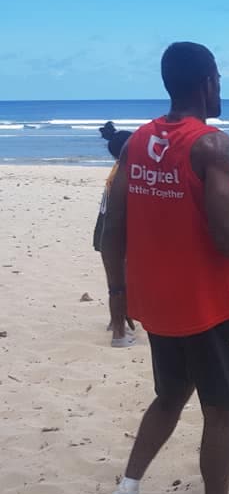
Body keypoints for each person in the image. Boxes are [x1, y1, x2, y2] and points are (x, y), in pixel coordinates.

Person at [96, 41, 229, 494]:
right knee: (219, 411)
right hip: (208, 306)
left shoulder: (137, 143)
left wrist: (118, 299)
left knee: (170, 395)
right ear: (208, 82)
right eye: (219, 79)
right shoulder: (213, 145)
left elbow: (114, 229)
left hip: (158, 304)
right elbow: (227, 233)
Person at [95, 121, 136, 347]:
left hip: (105, 227)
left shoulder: (117, 169)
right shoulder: (125, 172)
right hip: (116, 230)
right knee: (121, 282)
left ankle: (115, 322)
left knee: (117, 280)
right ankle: (119, 333)